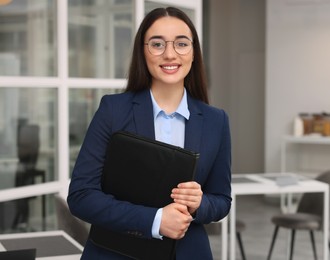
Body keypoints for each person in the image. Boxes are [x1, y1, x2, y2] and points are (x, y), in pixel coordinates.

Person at [67, 6, 232, 260]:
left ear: (194, 52)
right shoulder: (113, 110)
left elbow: (221, 200)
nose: (169, 54)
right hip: (116, 253)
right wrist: (155, 220)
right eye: (157, 44)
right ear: (143, 51)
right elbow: (81, 195)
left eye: (181, 43)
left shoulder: (216, 120)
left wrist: (200, 204)